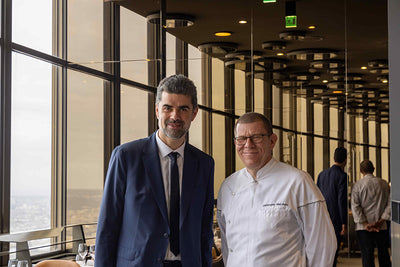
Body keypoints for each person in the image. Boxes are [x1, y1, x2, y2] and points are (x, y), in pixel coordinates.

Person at [95, 74, 215, 267]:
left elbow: (205, 229)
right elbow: (107, 226)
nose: (175, 116)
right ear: (157, 110)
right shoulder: (126, 156)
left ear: (194, 113)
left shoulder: (204, 164)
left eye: (183, 109)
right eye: (168, 108)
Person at [217, 112, 336, 267]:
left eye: (257, 137)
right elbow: (227, 247)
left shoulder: (297, 182)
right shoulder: (228, 186)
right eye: (241, 139)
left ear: (272, 141)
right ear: (235, 143)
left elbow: (322, 246)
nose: (248, 144)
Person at [351, 160, 391, 267]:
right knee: (384, 255)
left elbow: (355, 206)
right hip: (381, 226)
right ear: (373, 169)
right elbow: (390, 204)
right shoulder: (384, 183)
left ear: (360, 171)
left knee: (367, 256)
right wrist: (381, 220)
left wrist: (365, 224)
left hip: (363, 228)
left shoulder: (357, 186)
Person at [317, 147, 348, 267]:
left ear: (333, 158)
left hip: (322, 218)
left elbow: (317, 198)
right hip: (336, 220)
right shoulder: (342, 176)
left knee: (323, 252)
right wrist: (344, 223)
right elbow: (341, 200)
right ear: (345, 160)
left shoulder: (322, 174)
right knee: (333, 253)